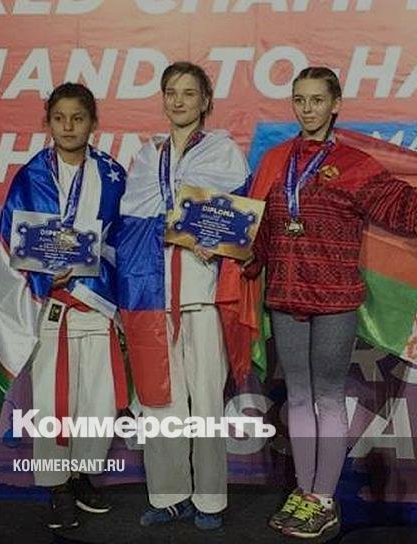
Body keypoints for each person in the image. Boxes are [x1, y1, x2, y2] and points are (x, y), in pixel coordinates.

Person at [241, 67, 417, 539]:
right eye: (300, 100)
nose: (307, 109)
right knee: (299, 396)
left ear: (335, 105)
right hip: (285, 294)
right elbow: (261, 227)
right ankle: (304, 491)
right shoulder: (275, 159)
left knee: (328, 397)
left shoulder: (353, 163)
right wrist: (243, 259)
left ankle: (322, 498)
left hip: (335, 298)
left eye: (317, 100)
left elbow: (406, 208)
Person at [0, 82, 129, 531]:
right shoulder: (30, 177)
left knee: (98, 400)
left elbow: (124, 239)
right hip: (51, 304)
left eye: (78, 118)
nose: (68, 127)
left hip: (98, 302)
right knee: (52, 400)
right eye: (59, 118)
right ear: (47, 122)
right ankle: (56, 487)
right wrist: (46, 275)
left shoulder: (112, 175)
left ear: (94, 123)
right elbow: (12, 242)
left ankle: (83, 475)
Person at [115, 62, 250, 531]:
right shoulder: (146, 156)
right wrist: (169, 226)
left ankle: (210, 500)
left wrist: (216, 241)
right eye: (171, 92)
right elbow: (129, 223)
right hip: (154, 293)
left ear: (205, 101)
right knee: (160, 397)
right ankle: (169, 494)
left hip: (202, 290)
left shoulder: (223, 152)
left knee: (207, 399)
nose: (178, 101)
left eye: (189, 93)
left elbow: (239, 224)